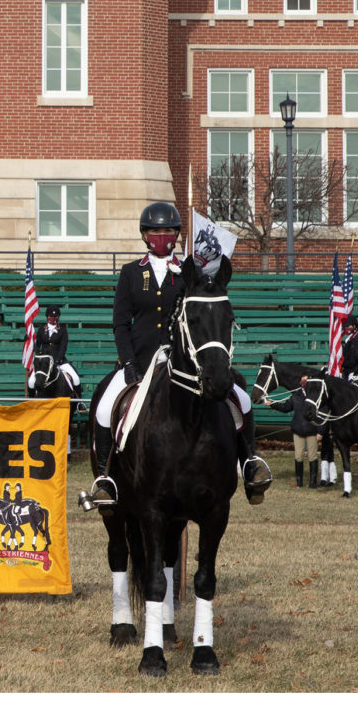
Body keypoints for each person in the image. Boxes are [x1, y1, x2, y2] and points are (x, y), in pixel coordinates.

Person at [90, 201, 270, 506]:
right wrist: (129, 361)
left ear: (177, 234)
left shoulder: (190, 272)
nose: (163, 236)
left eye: (169, 230)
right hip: (141, 360)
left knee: (239, 398)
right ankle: (105, 477)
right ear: (145, 235)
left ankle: (249, 463)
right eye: (156, 231)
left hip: (184, 366)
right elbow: (121, 323)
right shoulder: (132, 273)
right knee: (105, 408)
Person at [31, 305, 79, 392]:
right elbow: (37, 346)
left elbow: (63, 347)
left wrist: (57, 360)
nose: (53, 318)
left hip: (59, 361)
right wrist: (29, 341)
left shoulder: (63, 330)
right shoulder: (41, 330)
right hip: (44, 363)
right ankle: (31, 401)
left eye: (55, 316)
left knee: (76, 379)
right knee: (31, 382)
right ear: (47, 317)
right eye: (51, 316)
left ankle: (79, 402)